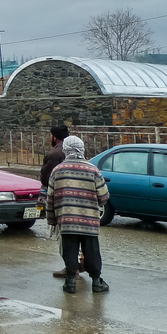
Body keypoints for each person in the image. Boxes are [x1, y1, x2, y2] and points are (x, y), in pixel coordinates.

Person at [46, 136, 110, 294]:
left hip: (67, 221)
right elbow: (104, 196)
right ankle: (96, 282)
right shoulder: (92, 170)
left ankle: (70, 282)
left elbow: (50, 199)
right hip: (89, 222)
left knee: (70, 251)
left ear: (66, 150)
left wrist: (52, 220)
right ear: (82, 149)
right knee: (92, 251)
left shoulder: (57, 170)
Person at [41, 125, 78, 278]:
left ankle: (72, 268)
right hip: (78, 198)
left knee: (62, 235)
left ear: (55, 137)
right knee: (76, 235)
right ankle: (75, 266)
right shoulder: (76, 150)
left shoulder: (54, 153)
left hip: (61, 200)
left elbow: (45, 178)